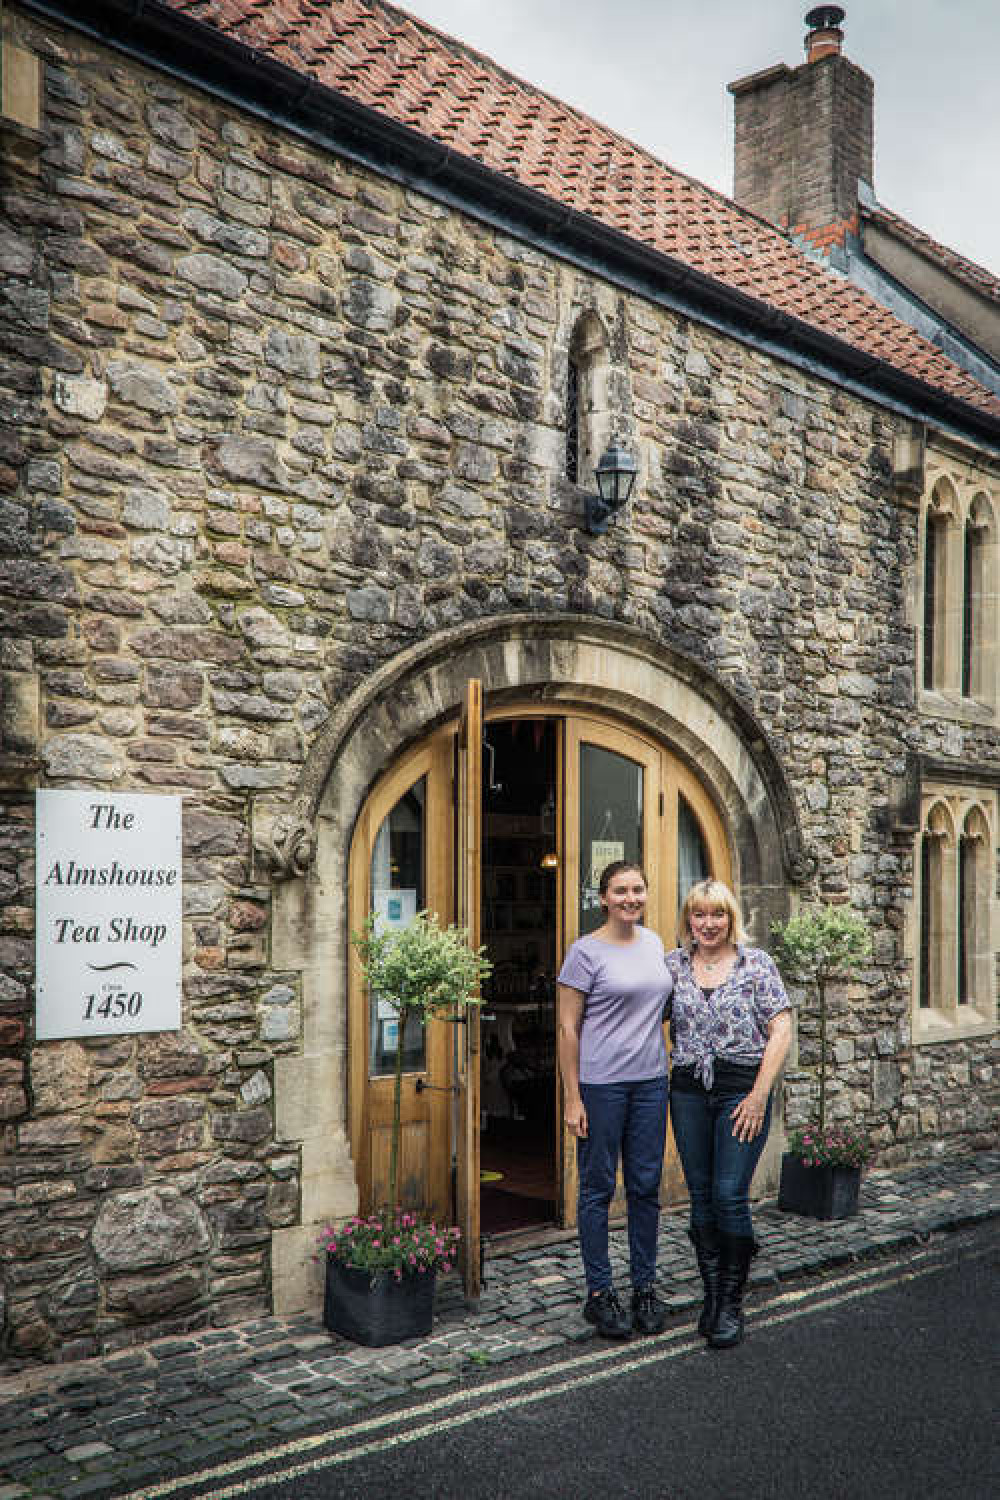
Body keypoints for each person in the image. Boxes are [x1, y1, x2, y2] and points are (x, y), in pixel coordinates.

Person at [666, 878, 792, 1349]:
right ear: (689, 920)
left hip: (742, 1091)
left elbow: (780, 1029)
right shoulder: (673, 966)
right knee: (699, 1194)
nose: (708, 924)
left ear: (730, 918)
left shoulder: (756, 964)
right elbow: (637, 1013)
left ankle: (731, 1302)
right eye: (699, 915)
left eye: (717, 914)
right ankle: (713, 1298)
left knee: (728, 1194)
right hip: (688, 1092)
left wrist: (759, 1096)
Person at [557, 861, 673, 1339]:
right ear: (603, 898)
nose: (631, 898)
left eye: (638, 889)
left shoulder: (655, 944)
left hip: (651, 1083)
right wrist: (572, 1097)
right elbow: (567, 1028)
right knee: (598, 1188)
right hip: (602, 1087)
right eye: (620, 890)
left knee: (645, 1187)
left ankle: (644, 1286)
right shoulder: (584, 953)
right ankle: (599, 1294)